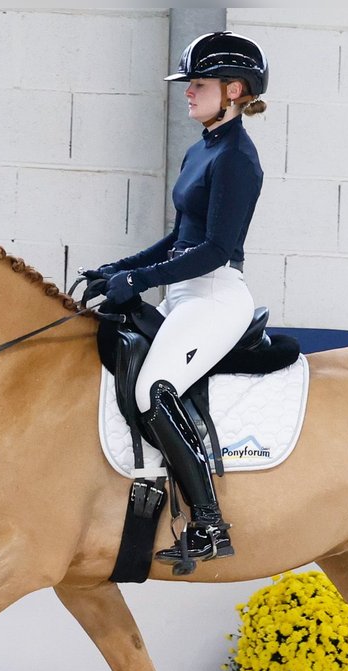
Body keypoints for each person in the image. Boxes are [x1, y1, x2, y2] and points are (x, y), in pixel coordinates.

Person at [89, 31, 269, 569]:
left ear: (234, 90)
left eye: (198, 85)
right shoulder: (203, 148)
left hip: (214, 295)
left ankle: (210, 523)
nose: (188, 93)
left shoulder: (237, 157)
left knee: (154, 388)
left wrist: (141, 282)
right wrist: (121, 269)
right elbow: (180, 237)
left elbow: (214, 249)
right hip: (185, 289)